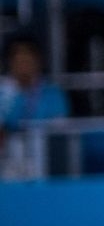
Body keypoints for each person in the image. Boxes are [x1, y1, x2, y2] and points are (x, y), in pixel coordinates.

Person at [0, 37, 68, 182]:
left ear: (38, 61)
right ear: (10, 63)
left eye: (28, 59)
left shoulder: (52, 93)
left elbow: (59, 130)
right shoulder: (3, 92)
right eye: (18, 60)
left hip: (45, 158)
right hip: (7, 159)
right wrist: (16, 94)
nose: (23, 65)